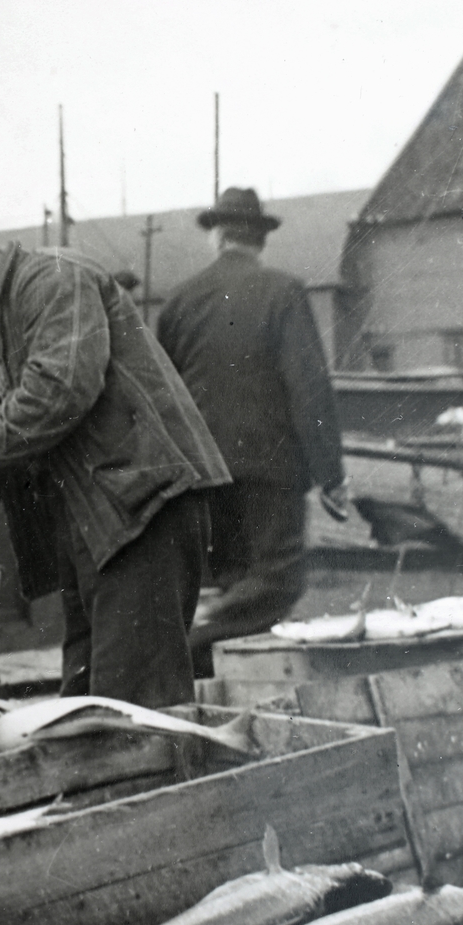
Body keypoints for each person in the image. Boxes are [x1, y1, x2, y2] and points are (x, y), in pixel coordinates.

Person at [0, 212, 230, 710]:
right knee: (86, 707)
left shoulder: (52, 277)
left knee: (133, 710)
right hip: (98, 526)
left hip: (145, 508)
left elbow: (63, 389)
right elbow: (19, 443)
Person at [154, 187, 349, 671]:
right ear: (260, 240)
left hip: (203, 476)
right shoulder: (283, 292)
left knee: (231, 579)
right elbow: (309, 387)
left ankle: (214, 683)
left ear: (215, 237)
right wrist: (331, 475)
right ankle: (196, 637)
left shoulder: (178, 302)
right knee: (277, 580)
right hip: (271, 470)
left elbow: (160, 397)